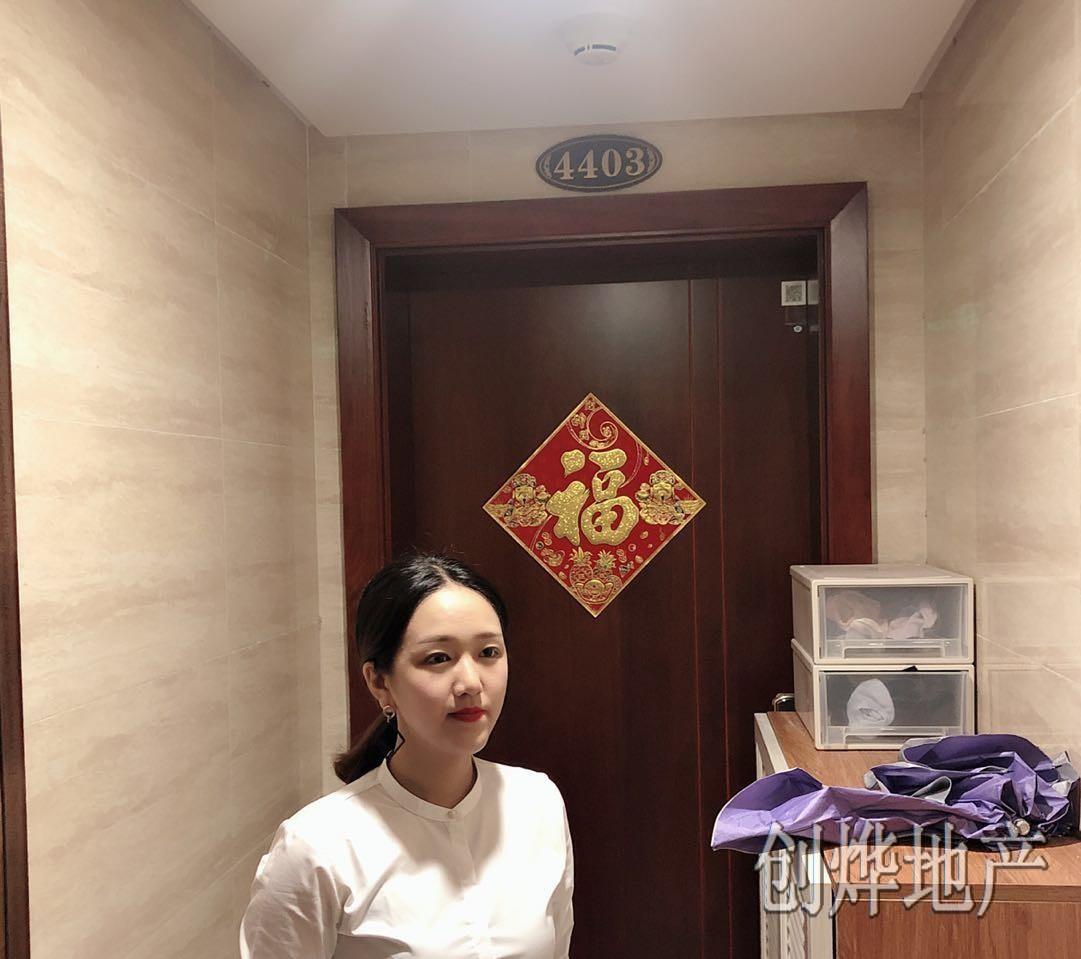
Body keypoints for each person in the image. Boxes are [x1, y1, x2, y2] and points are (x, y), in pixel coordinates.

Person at [239, 553, 575, 958]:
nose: (471, 683)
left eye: (488, 652)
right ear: (379, 682)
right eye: (438, 658)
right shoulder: (316, 848)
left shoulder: (537, 802)